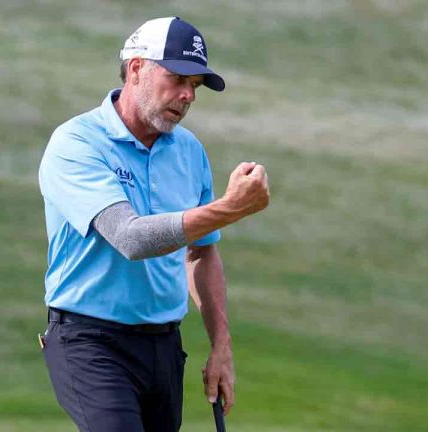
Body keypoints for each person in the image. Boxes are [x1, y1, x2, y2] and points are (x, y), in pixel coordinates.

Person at [38, 16, 270, 432]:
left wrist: (221, 345)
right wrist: (231, 208)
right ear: (136, 68)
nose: (187, 96)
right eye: (178, 78)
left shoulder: (189, 151)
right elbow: (130, 237)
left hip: (163, 346)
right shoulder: (76, 143)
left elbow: (201, 252)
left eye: (195, 86)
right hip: (90, 341)